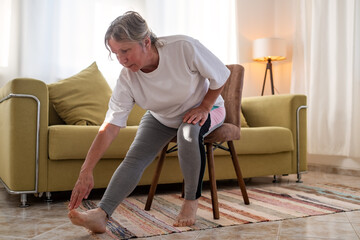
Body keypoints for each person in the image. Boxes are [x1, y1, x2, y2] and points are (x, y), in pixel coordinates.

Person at [67, 11, 230, 233]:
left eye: (126, 50)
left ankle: (191, 201)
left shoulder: (183, 47)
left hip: (206, 109)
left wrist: (204, 106)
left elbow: (221, 74)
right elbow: (110, 127)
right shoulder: (127, 79)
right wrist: (86, 170)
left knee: (188, 132)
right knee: (134, 157)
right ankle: (101, 214)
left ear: (146, 42)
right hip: (161, 117)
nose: (122, 59)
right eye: (116, 53)